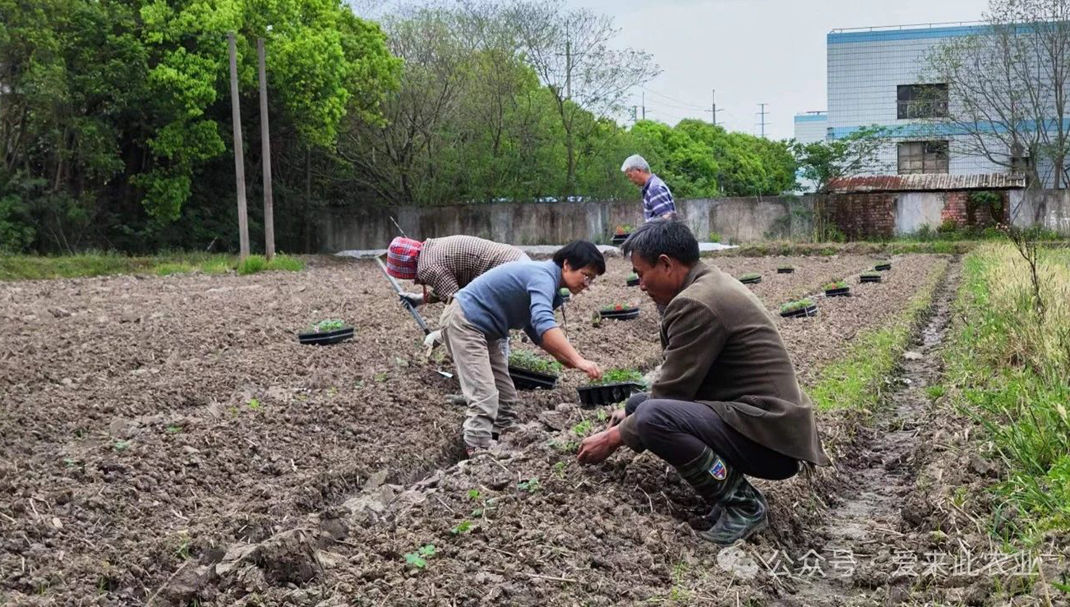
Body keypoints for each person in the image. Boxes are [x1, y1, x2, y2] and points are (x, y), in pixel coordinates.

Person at [576, 220, 829, 545]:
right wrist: (630, 416)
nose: (640, 285)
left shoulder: (696, 302)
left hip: (771, 438)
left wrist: (612, 438)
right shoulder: (708, 283)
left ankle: (743, 505)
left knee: (652, 418)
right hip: (759, 421)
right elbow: (669, 387)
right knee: (640, 406)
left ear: (666, 264)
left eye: (641, 273)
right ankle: (724, 495)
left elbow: (670, 394)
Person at [442, 241, 605, 455]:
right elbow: (543, 321)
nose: (587, 283)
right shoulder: (543, 277)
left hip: (488, 330)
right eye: (586, 275)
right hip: (466, 321)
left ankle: (503, 434)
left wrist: (564, 357)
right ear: (566, 265)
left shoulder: (550, 283)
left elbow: (534, 328)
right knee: (484, 393)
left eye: (591, 279)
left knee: (505, 394)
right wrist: (578, 359)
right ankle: (477, 446)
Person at [384, 235, 528, 307]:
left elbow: (457, 303)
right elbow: (447, 286)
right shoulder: (430, 249)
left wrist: (440, 336)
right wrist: (420, 299)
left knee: (486, 331)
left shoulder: (428, 267)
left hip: (509, 273)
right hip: (517, 261)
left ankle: (496, 364)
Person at [621, 154, 677, 222]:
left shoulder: (654, 188)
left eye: (630, 176)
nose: (630, 180)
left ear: (639, 171)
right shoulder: (650, 188)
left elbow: (667, 220)